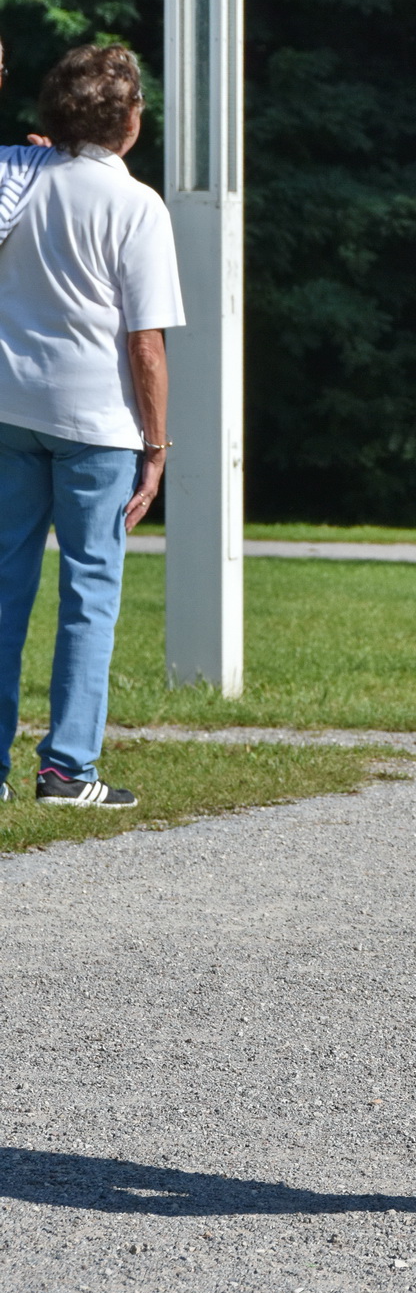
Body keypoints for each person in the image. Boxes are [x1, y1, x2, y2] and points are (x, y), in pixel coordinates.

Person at [0, 42, 184, 807]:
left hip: (9, 410)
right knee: (89, 595)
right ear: (130, 121)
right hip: (99, 425)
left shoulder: (16, 175)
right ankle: (66, 768)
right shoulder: (138, 206)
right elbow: (145, 342)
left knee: (5, 592)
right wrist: (157, 444)